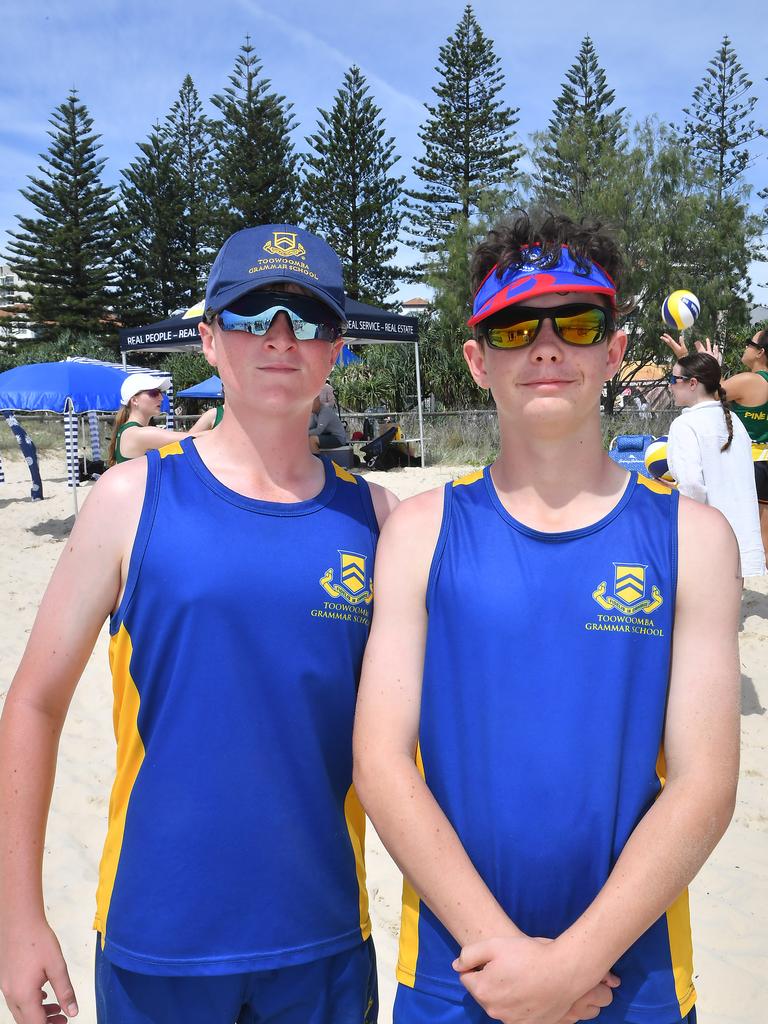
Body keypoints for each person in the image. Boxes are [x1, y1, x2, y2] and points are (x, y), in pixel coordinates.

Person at [0, 223, 397, 1024]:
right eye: (253, 313)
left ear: (336, 348)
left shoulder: (381, 518)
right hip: (159, 936)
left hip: (322, 939)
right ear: (209, 340)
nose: (280, 338)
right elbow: (34, 705)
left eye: (307, 317)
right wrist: (16, 917)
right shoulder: (132, 499)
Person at [354, 212, 740, 1024]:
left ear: (613, 349)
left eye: (576, 320)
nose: (546, 345)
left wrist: (573, 963)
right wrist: (509, 955)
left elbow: (704, 786)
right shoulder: (420, 535)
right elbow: (382, 763)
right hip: (458, 970)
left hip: (632, 979)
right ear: (476, 359)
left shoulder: (694, 540)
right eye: (513, 326)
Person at [663, 328, 768, 558]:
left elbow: (708, 392)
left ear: (761, 352)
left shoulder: (750, 381)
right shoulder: (749, 390)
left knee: (757, 539)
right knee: (759, 535)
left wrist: (693, 362)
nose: (745, 346)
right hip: (760, 459)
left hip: (756, 462)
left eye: (750, 343)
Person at [108, 373, 215, 465]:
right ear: (134, 400)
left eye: (160, 393)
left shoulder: (129, 430)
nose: (161, 398)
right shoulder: (138, 433)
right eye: (153, 393)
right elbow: (189, 439)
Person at [308, 385, 347, 452]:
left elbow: (319, 430)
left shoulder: (325, 411)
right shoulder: (314, 414)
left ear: (317, 402)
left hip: (338, 438)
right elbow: (311, 426)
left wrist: (304, 434)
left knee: (312, 439)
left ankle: (318, 461)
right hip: (328, 436)